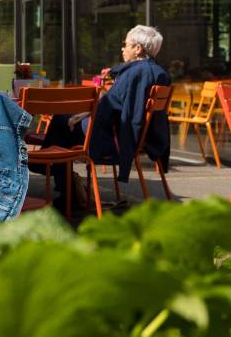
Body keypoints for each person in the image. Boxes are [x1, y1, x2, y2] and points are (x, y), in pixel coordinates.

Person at [42, 24, 171, 207]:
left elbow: (107, 110)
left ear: (138, 49)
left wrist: (85, 114)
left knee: (61, 122)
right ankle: (67, 188)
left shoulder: (134, 73)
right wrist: (86, 113)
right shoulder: (159, 72)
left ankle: (62, 188)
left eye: (125, 44)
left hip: (115, 138)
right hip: (143, 137)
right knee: (67, 120)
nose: (122, 48)